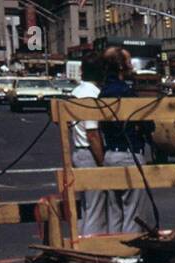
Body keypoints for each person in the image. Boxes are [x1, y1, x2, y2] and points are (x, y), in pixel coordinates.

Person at [98, 47, 155, 233]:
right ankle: (129, 256)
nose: (132, 65)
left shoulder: (103, 93)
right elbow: (147, 125)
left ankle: (114, 252)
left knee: (114, 210)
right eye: (129, 61)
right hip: (130, 155)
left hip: (110, 155)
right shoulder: (126, 93)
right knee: (133, 212)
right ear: (121, 66)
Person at [70, 51, 107, 236]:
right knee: (95, 206)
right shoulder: (92, 96)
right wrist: (103, 162)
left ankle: (80, 240)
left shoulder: (76, 92)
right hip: (90, 154)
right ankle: (91, 247)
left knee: (85, 205)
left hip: (78, 152)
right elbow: (92, 133)